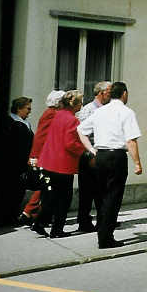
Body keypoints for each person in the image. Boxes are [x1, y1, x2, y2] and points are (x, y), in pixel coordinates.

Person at [77, 81, 143, 249]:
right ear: (124, 94)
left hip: (101, 155)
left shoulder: (100, 112)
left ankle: (102, 232)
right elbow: (131, 140)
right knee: (113, 197)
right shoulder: (126, 112)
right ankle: (106, 237)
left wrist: (92, 149)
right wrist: (137, 163)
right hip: (116, 156)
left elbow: (81, 130)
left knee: (102, 196)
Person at [32, 90, 87, 238]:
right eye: (80, 102)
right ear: (74, 104)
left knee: (50, 196)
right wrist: (84, 149)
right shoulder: (72, 120)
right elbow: (70, 143)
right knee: (64, 199)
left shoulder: (58, 115)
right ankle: (57, 230)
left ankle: (39, 222)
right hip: (63, 165)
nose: (82, 105)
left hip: (49, 161)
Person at [18, 89, 65, 225]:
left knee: (46, 185)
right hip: (42, 156)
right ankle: (29, 213)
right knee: (46, 184)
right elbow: (43, 138)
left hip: (40, 155)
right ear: (59, 103)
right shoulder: (53, 114)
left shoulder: (50, 113)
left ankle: (33, 213)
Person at [0, 96, 34, 226]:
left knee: (18, 193)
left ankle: (11, 216)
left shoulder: (24, 122)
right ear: (19, 108)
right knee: (9, 192)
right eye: (28, 108)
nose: (29, 111)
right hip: (12, 165)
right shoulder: (11, 122)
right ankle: (5, 218)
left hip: (21, 165)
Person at [74, 81, 111, 233]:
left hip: (104, 154)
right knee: (87, 191)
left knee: (103, 190)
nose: (112, 95)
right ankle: (84, 221)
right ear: (101, 93)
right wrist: (90, 152)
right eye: (109, 92)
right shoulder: (88, 110)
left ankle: (104, 220)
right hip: (90, 154)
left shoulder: (108, 109)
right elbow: (81, 133)